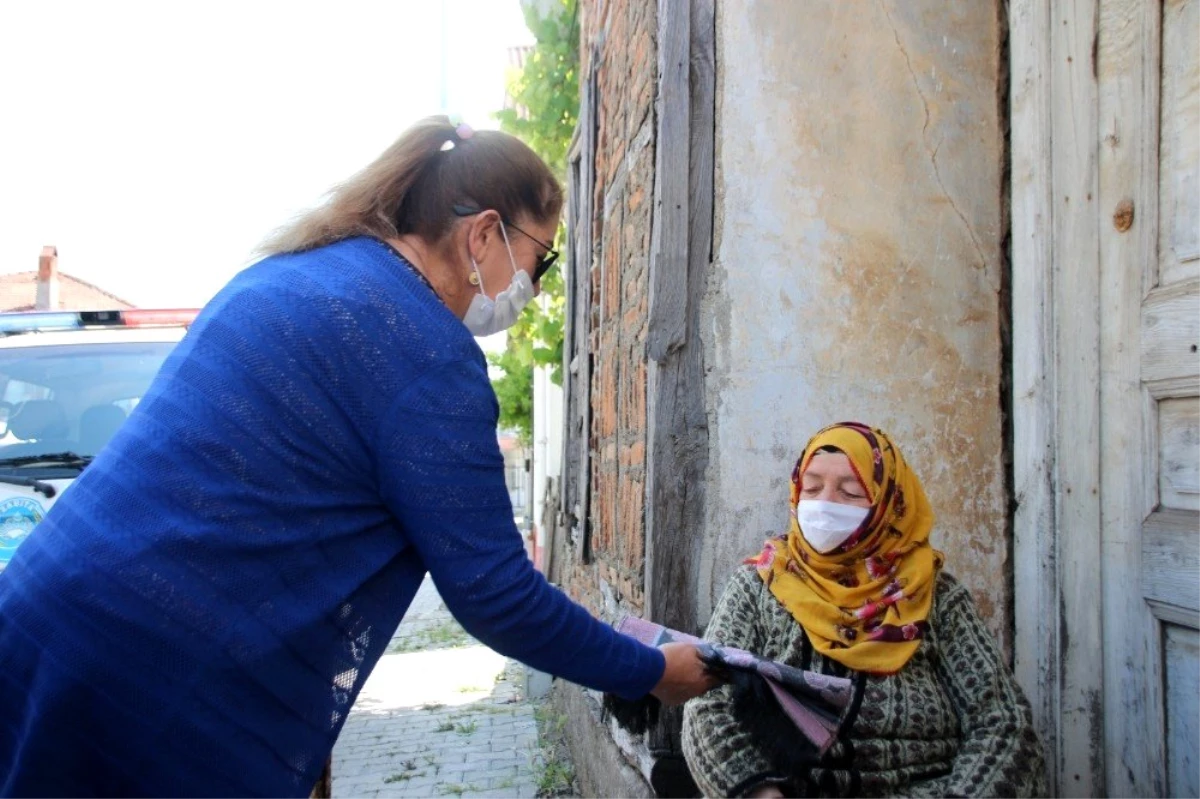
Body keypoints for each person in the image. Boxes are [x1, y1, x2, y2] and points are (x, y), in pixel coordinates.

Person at [0, 116, 714, 798]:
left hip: (36, 616)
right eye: (542, 257)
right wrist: (649, 669)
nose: (536, 284)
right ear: (485, 234)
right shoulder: (430, 356)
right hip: (144, 680)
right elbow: (497, 594)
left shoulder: (286, 276)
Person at [681, 422, 1047, 798]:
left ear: (887, 502)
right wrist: (761, 794)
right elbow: (708, 704)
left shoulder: (932, 595)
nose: (826, 503)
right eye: (812, 488)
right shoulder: (761, 584)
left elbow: (1003, 723)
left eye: (851, 492)